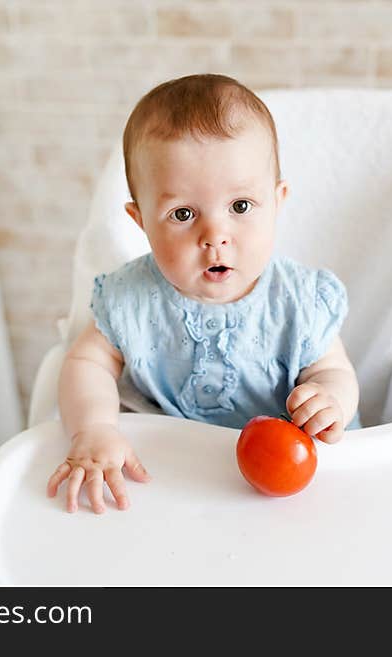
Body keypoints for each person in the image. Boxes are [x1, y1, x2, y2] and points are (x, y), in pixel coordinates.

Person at [47, 74, 360, 514]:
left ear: (277, 200)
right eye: (182, 213)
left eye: (241, 206)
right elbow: (87, 363)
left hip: (292, 488)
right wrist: (94, 428)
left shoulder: (300, 301)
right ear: (141, 221)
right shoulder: (131, 301)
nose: (215, 235)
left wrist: (329, 401)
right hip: (177, 484)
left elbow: (334, 371)